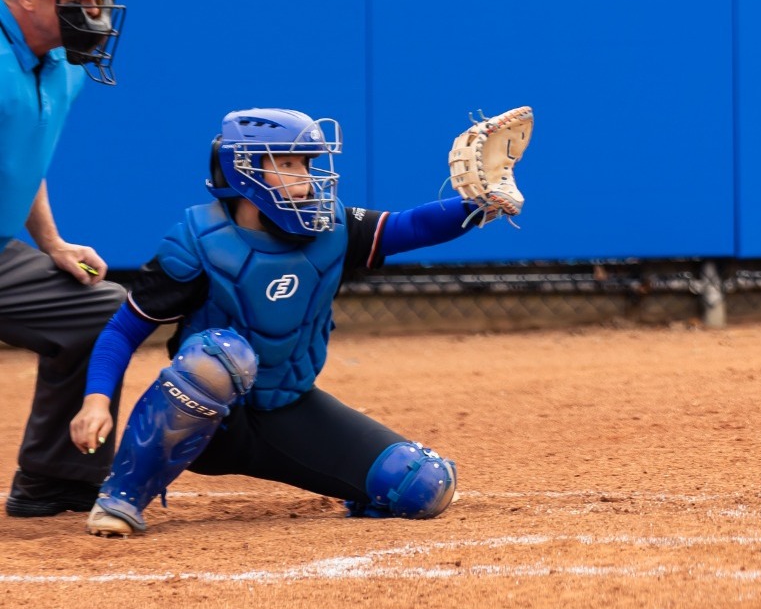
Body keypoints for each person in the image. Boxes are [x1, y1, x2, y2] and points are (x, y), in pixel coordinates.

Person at [70, 105, 534, 536]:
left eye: (307, 164)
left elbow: (409, 226)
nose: (306, 179)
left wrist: (481, 204)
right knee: (220, 355)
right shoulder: (197, 241)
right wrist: (96, 402)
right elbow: (124, 330)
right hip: (211, 424)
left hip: (288, 408)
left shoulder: (330, 228)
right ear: (244, 172)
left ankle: (362, 490)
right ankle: (122, 496)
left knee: (421, 485)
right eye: (287, 165)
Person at [0, 0, 130, 518]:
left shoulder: (63, 65)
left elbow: (25, 152)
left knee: (103, 310)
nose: (96, 10)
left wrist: (49, 241)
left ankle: (54, 479)